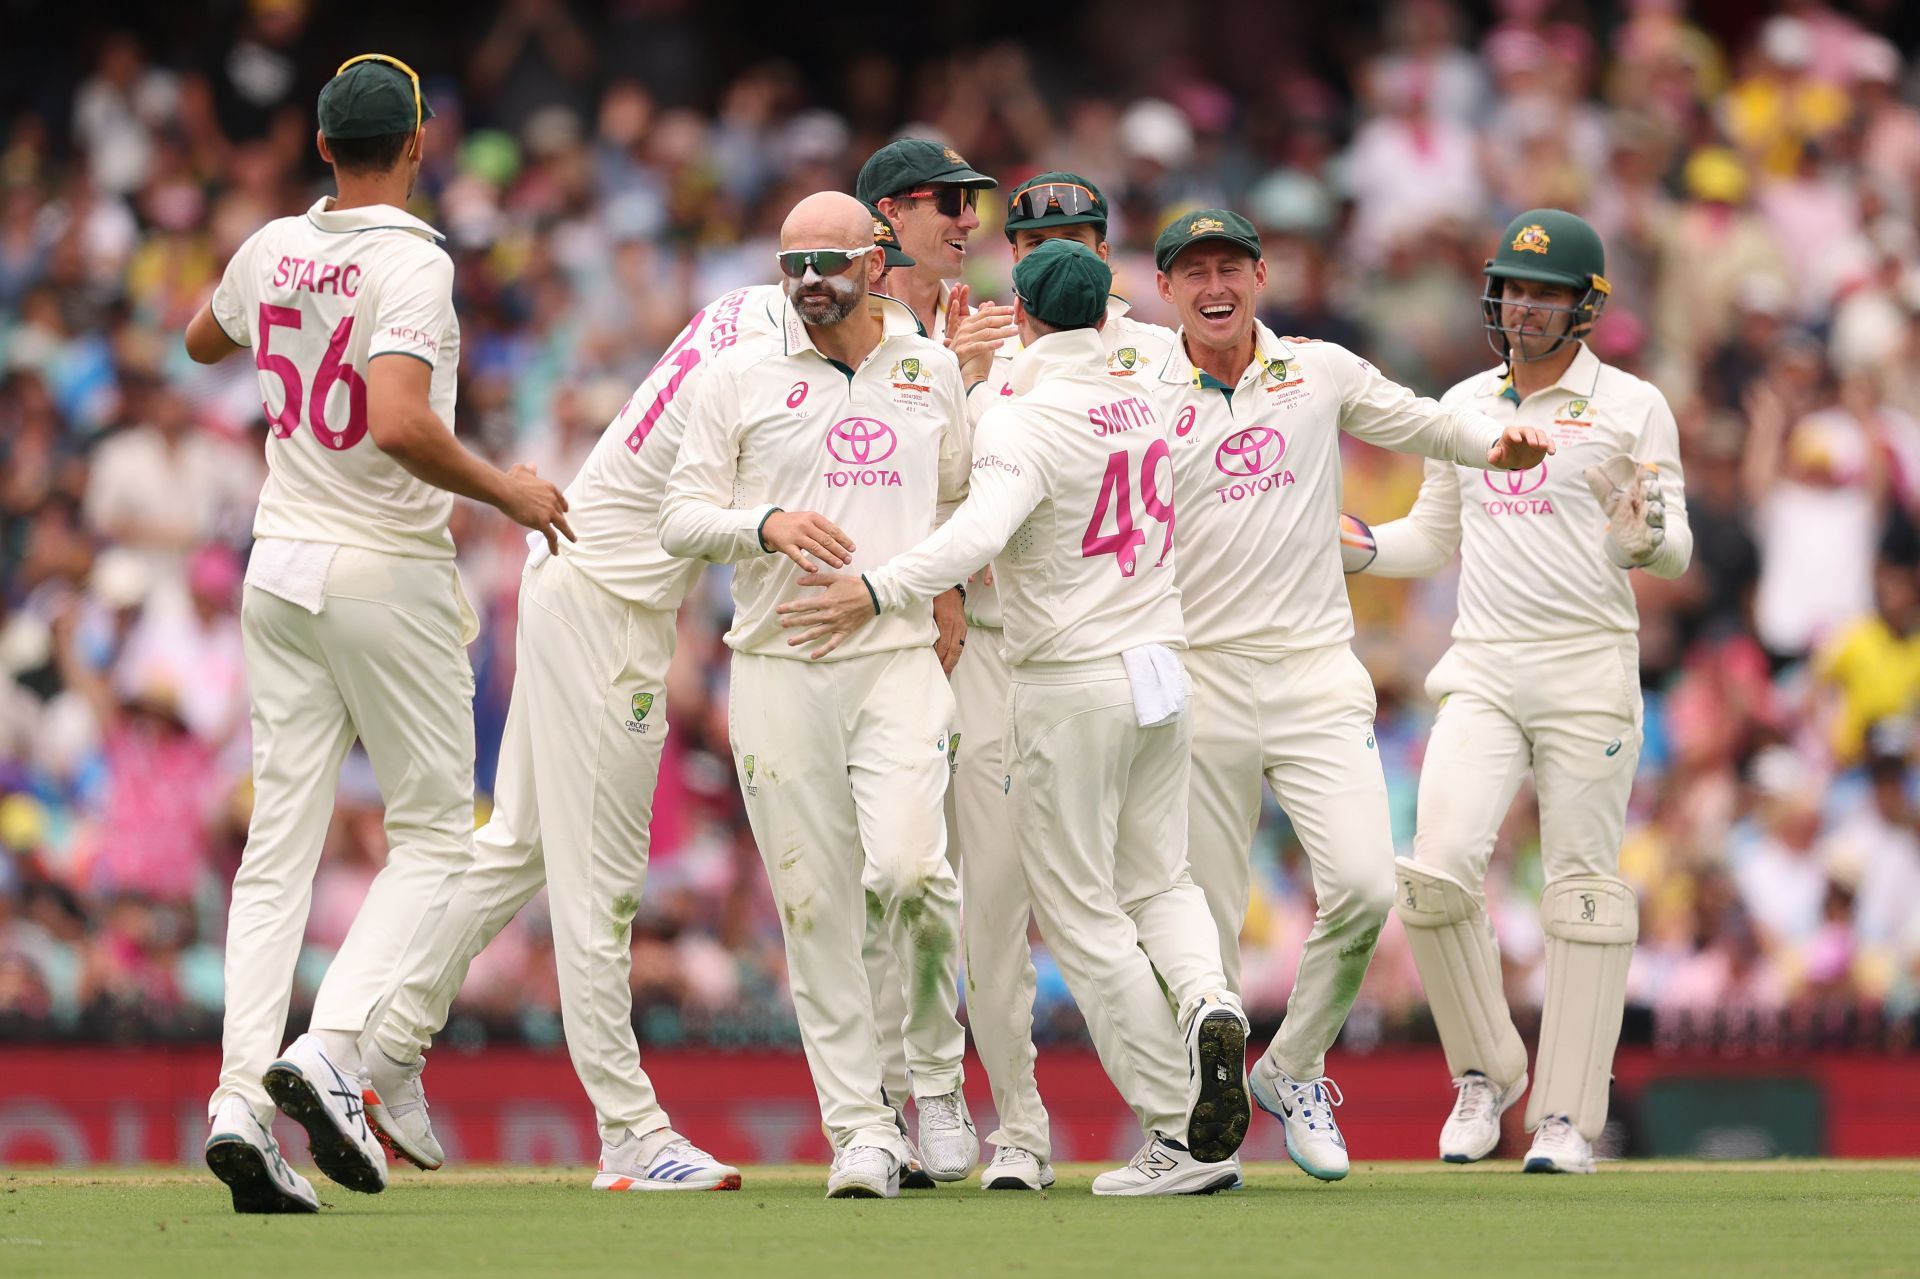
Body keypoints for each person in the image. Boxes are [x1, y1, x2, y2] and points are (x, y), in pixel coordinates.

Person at [359, 203, 921, 1192]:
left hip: (578, 584)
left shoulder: (753, 311)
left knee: (518, 852)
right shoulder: (774, 366)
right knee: (601, 886)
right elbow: (692, 514)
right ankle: (628, 1131)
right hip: (610, 609)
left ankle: (379, 1047)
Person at [777, 239, 1251, 1197]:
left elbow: (977, 534)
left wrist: (874, 588)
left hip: (1072, 680)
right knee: (1158, 879)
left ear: (1026, 314)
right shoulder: (1152, 393)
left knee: (1080, 914)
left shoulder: (1020, 418)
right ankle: (1207, 997)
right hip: (1162, 665)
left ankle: (1178, 1127)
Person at [181, 53, 571, 1214]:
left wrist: (283, 275)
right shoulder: (413, 264)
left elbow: (204, 339)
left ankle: (239, 1103)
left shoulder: (269, 245)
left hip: (280, 562)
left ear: (318, 147)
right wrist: (509, 490)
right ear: (418, 144)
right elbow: (400, 422)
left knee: (277, 851)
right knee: (437, 840)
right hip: (382, 567)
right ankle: (332, 1047)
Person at [1147, 208, 1553, 1180]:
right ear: (1165, 288)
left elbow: (1419, 418)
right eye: (1194, 269)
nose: (1215, 285)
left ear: (1259, 275)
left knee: (1369, 887)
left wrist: (1494, 440)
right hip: (1198, 674)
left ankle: (1291, 1067)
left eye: (1231, 267)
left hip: (1315, 672)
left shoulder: (1316, 369)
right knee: (1201, 919)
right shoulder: (1138, 389)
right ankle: (1191, 1133)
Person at [1343, 208, 1691, 1172]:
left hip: (1588, 667)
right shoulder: (1463, 403)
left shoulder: (1632, 404)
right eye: (1513, 289)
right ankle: (1485, 1074)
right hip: (1485, 666)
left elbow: (1676, 544)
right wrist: (1360, 545)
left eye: (1544, 292)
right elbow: (1429, 536)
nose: (1524, 307)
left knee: (1582, 890)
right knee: (1435, 868)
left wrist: (1644, 538)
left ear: (1586, 307)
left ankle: (1569, 1118)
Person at [659, 191, 976, 1199]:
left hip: (895, 659)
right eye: (791, 264)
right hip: (778, 664)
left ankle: (932, 1077)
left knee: (910, 876)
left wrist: (947, 596)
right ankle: (860, 1130)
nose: (807, 284)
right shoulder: (737, 376)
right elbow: (680, 515)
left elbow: (962, 498)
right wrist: (767, 524)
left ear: (879, 265)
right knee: (816, 906)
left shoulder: (929, 369)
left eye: (829, 263)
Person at [946, 171, 1178, 1191]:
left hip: (1114, 651)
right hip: (1000, 647)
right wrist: (959, 379)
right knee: (992, 903)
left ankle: (1177, 1116)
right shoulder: (981, 352)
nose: (1060, 251)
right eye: (1042, 239)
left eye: (1079, 233)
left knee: (1144, 892)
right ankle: (1021, 1131)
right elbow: (937, 490)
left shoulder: (1158, 356)